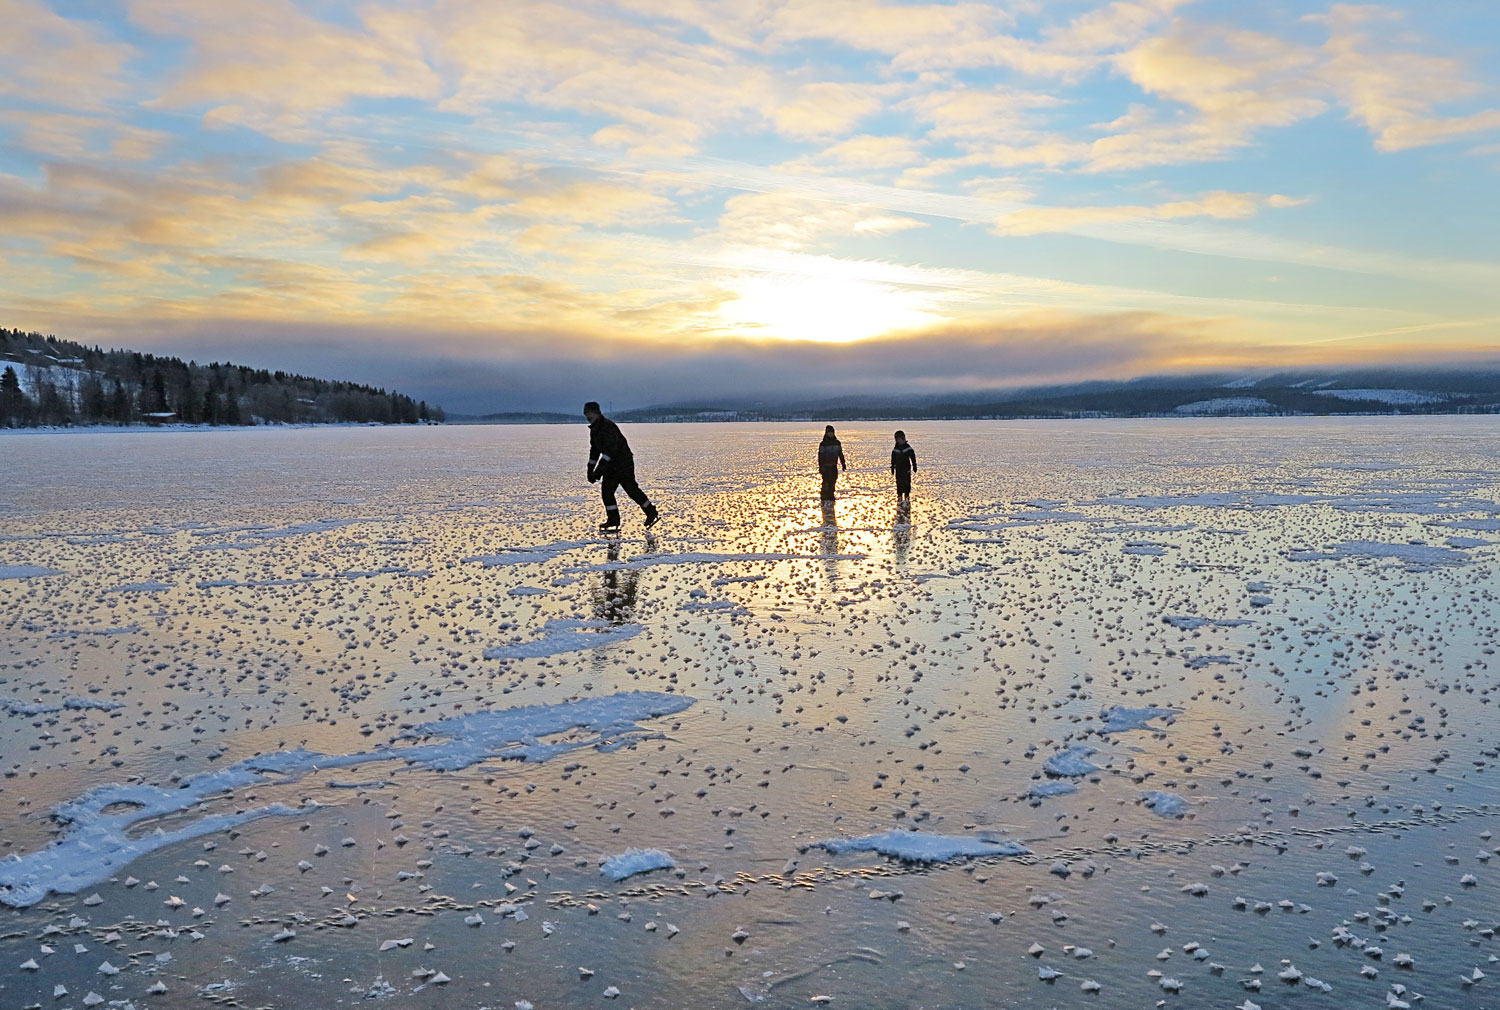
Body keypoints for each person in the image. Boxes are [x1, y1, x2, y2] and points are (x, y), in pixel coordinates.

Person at [583, 401, 659, 531]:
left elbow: (609, 452)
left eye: (589, 413)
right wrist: (590, 470)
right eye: (586, 414)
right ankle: (613, 519)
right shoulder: (594, 430)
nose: (587, 416)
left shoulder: (608, 427)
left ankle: (651, 512)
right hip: (611, 466)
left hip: (623, 463)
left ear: (597, 413)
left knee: (631, 489)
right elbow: (594, 451)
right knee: (607, 493)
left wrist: (598, 471)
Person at [818, 425, 846, 502]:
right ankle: (824, 497)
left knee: (833, 481)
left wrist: (843, 464)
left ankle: (831, 495)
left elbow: (840, 454)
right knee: (826, 482)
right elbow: (820, 456)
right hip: (825, 466)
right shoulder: (823, 444)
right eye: (829, 432)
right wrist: (821, 467)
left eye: (831, 432)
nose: (830, 434)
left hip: (833, 466)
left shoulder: (837, 443)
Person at [890, 430, 917, 501]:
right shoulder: (895, 449)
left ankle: (907, 494)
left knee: (907, 481)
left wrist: (914, 466)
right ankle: (899, 494)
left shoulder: (908, 448)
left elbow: (912, 457)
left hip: (906, 468)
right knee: (899, 482)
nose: (899, 441)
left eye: (900, 439)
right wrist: (892, 467)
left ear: (903, 439)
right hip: (898, 468)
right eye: (897, 439)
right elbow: (893, 459)